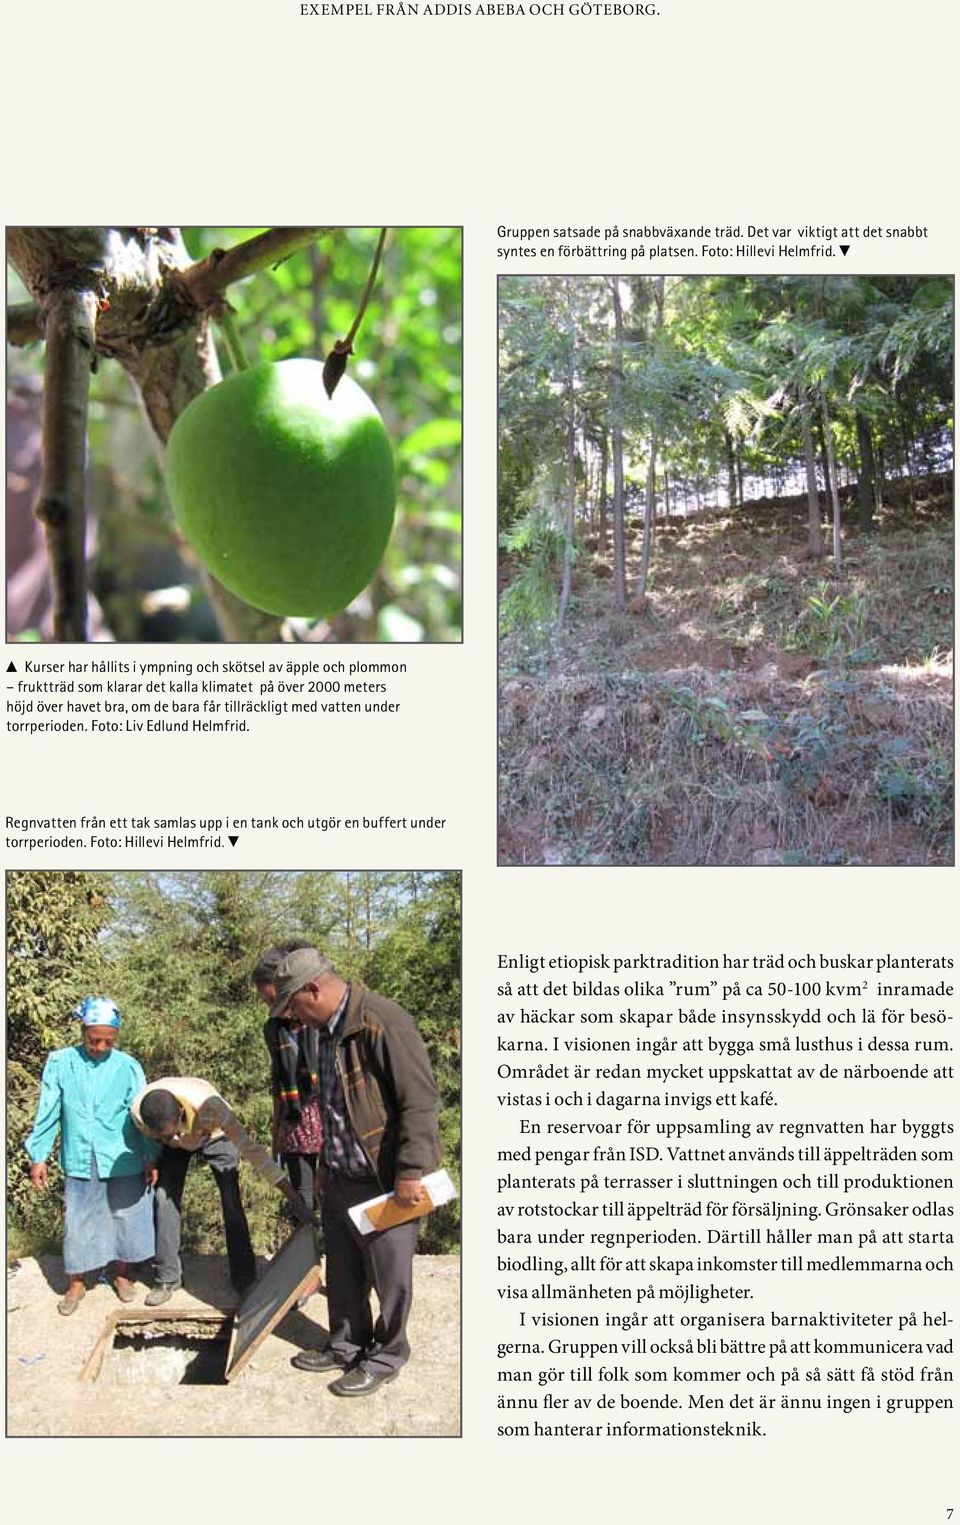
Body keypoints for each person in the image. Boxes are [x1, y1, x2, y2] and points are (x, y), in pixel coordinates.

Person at [269, 947, 441, 1397]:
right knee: (343, 1272)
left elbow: (419, 1102)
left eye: (294, 1005)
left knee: (390, 1276)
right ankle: (347, 1345)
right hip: (342, 1173)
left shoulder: (382, 1020)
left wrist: (410, 1171)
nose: (293, 1016)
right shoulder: (324, 1034)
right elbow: (334, 1109)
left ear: (314, 988)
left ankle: (386, 1355)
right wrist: (325, 1163)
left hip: (386, 1180)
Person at [24, 997, 156, 1316]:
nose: (99, 1046)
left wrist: (151, 1156)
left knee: (126, 1216)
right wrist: (38, 1155)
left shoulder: (128, 1066)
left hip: (123, 1155)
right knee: (79, 1220)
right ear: (82, 1031)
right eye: (93, 1039)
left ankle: (121, 1273)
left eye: (108, 1041)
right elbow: (49, 1111)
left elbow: (142, 1115)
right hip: (81, 1155)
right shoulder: (61, 1062)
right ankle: (77, 1282)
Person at [131, 1076, 257, 1306]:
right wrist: (153, 1156)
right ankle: (167, 1277)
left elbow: (257, 1155)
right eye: (163, 1135)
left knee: (231, 1198)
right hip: (172, 1144)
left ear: (180, 1112)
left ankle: (245, 1277)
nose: (172, 1137)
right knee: (163, 1197)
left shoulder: (214, 1109)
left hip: (213, 1132)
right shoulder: (140, 1113)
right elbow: (150, 1140)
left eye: (171, 1132)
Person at [252, 941, 325, 1218]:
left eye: (276, 1000)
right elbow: (278, 1077)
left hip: (328, 1113)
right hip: (295, 1118)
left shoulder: (322, 1022)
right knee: (302, 1191)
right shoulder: (273, 1029)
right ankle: (309, 1254)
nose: (273, 1009)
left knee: (337, 1188)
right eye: (267, 1003)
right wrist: (277, 1128)